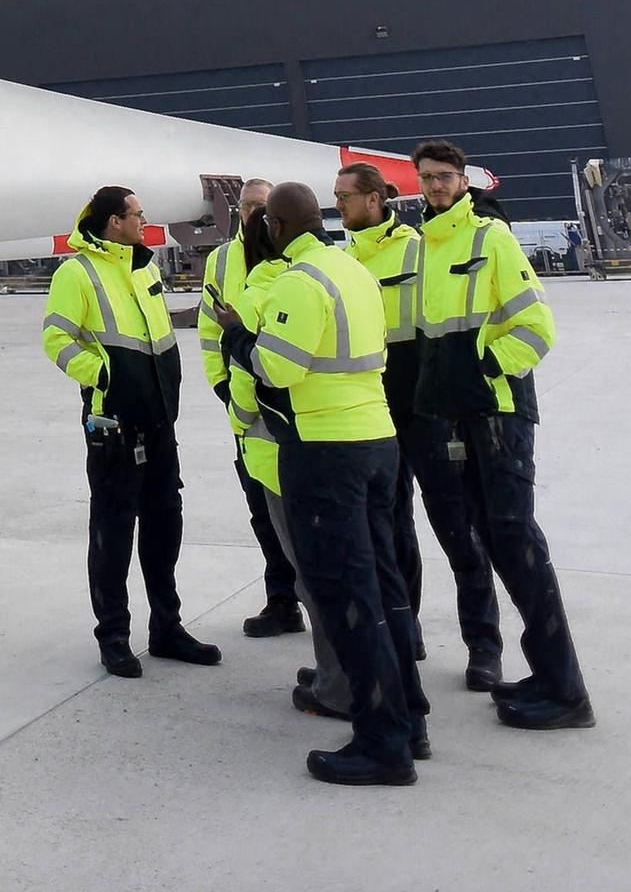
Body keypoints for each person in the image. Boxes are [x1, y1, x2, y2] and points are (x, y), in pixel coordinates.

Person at [215, 182, 429, 787]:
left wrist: (236, 337)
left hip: (323, 449)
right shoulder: (352, 269)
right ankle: (409, 717)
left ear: (279, 227)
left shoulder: (299, 282)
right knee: (385, 587)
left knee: (346, 595)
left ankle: (382, 742)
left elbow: (277, 366)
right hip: (376, 440)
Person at [411, 139, 594, 730]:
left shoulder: (491, 239)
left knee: (518, 542)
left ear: (465, 182)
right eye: (427, 177)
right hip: (461, 421)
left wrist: (485, 369)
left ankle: (567, 692)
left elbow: (537, 327)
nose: (436, 185)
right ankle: (545, 674)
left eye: (445, 176)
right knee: (495, 540)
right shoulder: (430, 248)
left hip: (499, 417)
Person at [335, 162, 502, 691]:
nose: (337, 204)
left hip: (427, 412)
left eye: (345, 196)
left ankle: (484, 646)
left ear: (376, 200)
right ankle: (405, 634)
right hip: (374, 414)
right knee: (388, 530)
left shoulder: (416, 248)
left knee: (458, 528)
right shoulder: (342, 261)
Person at [43, 186, 220, 677]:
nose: (145, 220)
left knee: (165, 527)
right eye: (138, 214)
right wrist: (101, 375)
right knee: (113, 532)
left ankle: (167, 629)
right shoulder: (76, 272)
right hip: (113, 424)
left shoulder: (144, 267)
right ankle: (114, 636)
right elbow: (55, 338)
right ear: (115, 221)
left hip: (159, 419)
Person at [223, 210, 354, 720]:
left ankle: (338, 684)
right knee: (347, 569)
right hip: (352, 438)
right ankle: (338, 671)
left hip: (284, 450)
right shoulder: (343, 271)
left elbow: (253, 376)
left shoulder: (264, 295)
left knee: (314, 574)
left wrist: (237, 420)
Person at [198, 179, 302, 639]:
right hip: (243, 402)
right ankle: (282, 600)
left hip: (291, 399)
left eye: (262, 206)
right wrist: (221, 383)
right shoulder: (221, 261)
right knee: (261, 508)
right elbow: (207, 327)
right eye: (248, 206)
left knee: (300, 507)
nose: (254, 214)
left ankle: (314, 597)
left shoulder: (293, 258)